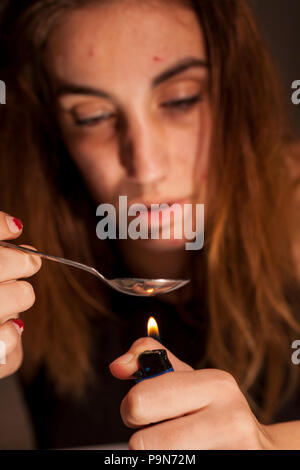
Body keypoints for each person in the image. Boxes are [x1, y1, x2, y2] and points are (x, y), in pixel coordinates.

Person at [0, 0, 299, 450]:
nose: (146, 166)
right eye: (93, 117)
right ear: (54, 134)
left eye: (181, 100)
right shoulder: (29, 250)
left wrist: (271, 445)